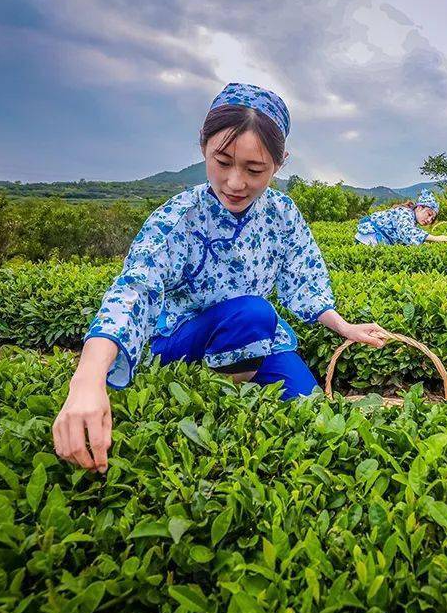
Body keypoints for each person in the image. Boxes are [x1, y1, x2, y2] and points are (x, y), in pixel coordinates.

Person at [53, 82, 387, 473]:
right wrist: (87, 379)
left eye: (255, 169)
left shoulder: (282, 213)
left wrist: (343, 326)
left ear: (279, 164)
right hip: (182, 339)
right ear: (203, 148)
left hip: (255, 335)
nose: (235, 183)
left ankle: (236, 381)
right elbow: (135, 290)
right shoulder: (179, 217)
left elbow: (304, 275)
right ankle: (221, 393)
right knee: (253, 311)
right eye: (222, 162)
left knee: (313, 415)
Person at [354, 189, 447, 245]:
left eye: (432, 219)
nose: (429, 220)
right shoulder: (406, 213)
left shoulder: (411, 218)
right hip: (370, 238)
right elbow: (406, 231)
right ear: (420, 207)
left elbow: (404, 237)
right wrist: (435, 238)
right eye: (429, 214)